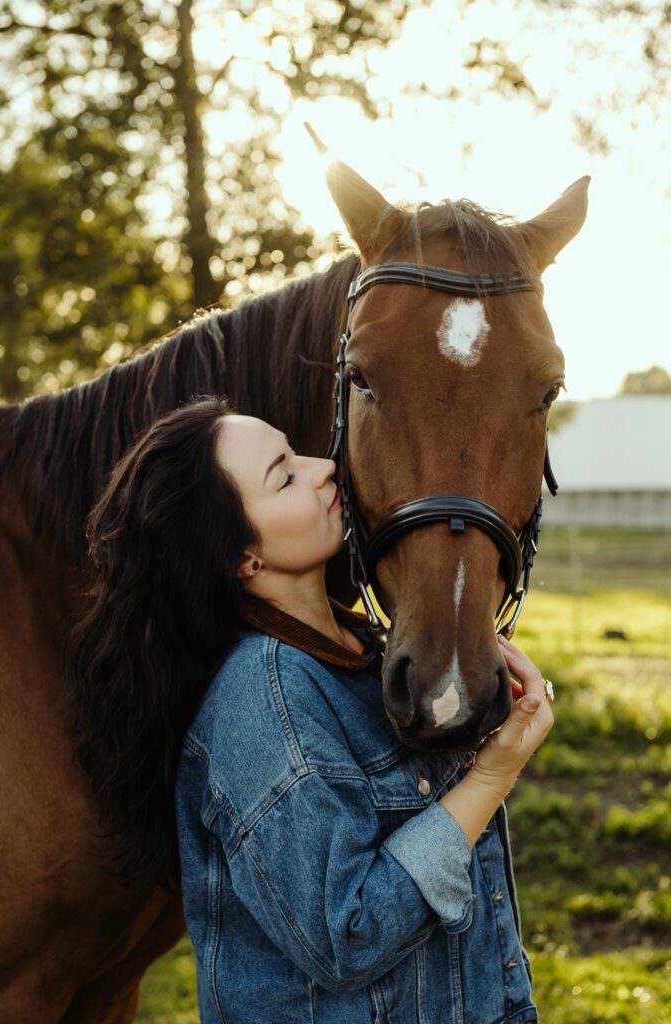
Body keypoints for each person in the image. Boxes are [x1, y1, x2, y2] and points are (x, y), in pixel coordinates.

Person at [69, 395, 553, 1024]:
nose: (324, 468)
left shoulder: (367, 654)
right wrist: (490, 777)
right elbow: (347, 933)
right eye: (285, 477)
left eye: (298, 454)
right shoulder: (263, 697)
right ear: (244, 557)